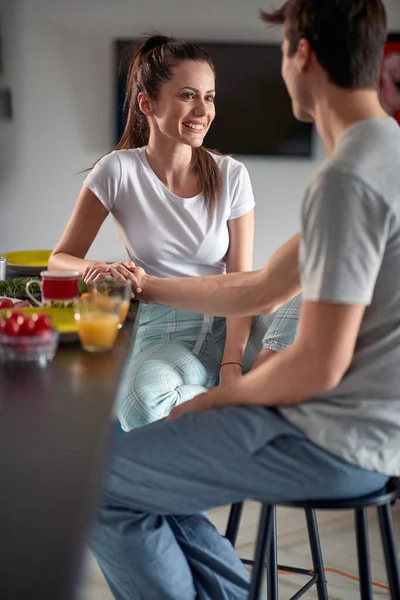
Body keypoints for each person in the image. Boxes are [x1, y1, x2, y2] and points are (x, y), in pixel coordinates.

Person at [90, 1, 400, 599]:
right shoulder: (383, 155)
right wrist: (147, 284)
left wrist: (218, 399)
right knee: (147, 469)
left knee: (98, 484)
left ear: (300, 52)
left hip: (336, 441)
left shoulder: (348, 179)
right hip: (375, 433)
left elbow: (318, 364)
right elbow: (257, 287)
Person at [48, 34, 300, 431]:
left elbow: (242, 284)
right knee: (140, 401)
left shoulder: (231, 175)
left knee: (312, 286)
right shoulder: (116, 171)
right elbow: (59, 258)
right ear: (147, 103)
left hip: (235, 327)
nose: (203, 110)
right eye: (188, 95)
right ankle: (247, 405)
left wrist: (232, 362)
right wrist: (93, 267)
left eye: (210, 97)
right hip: (166, 333)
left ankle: (245, 390)